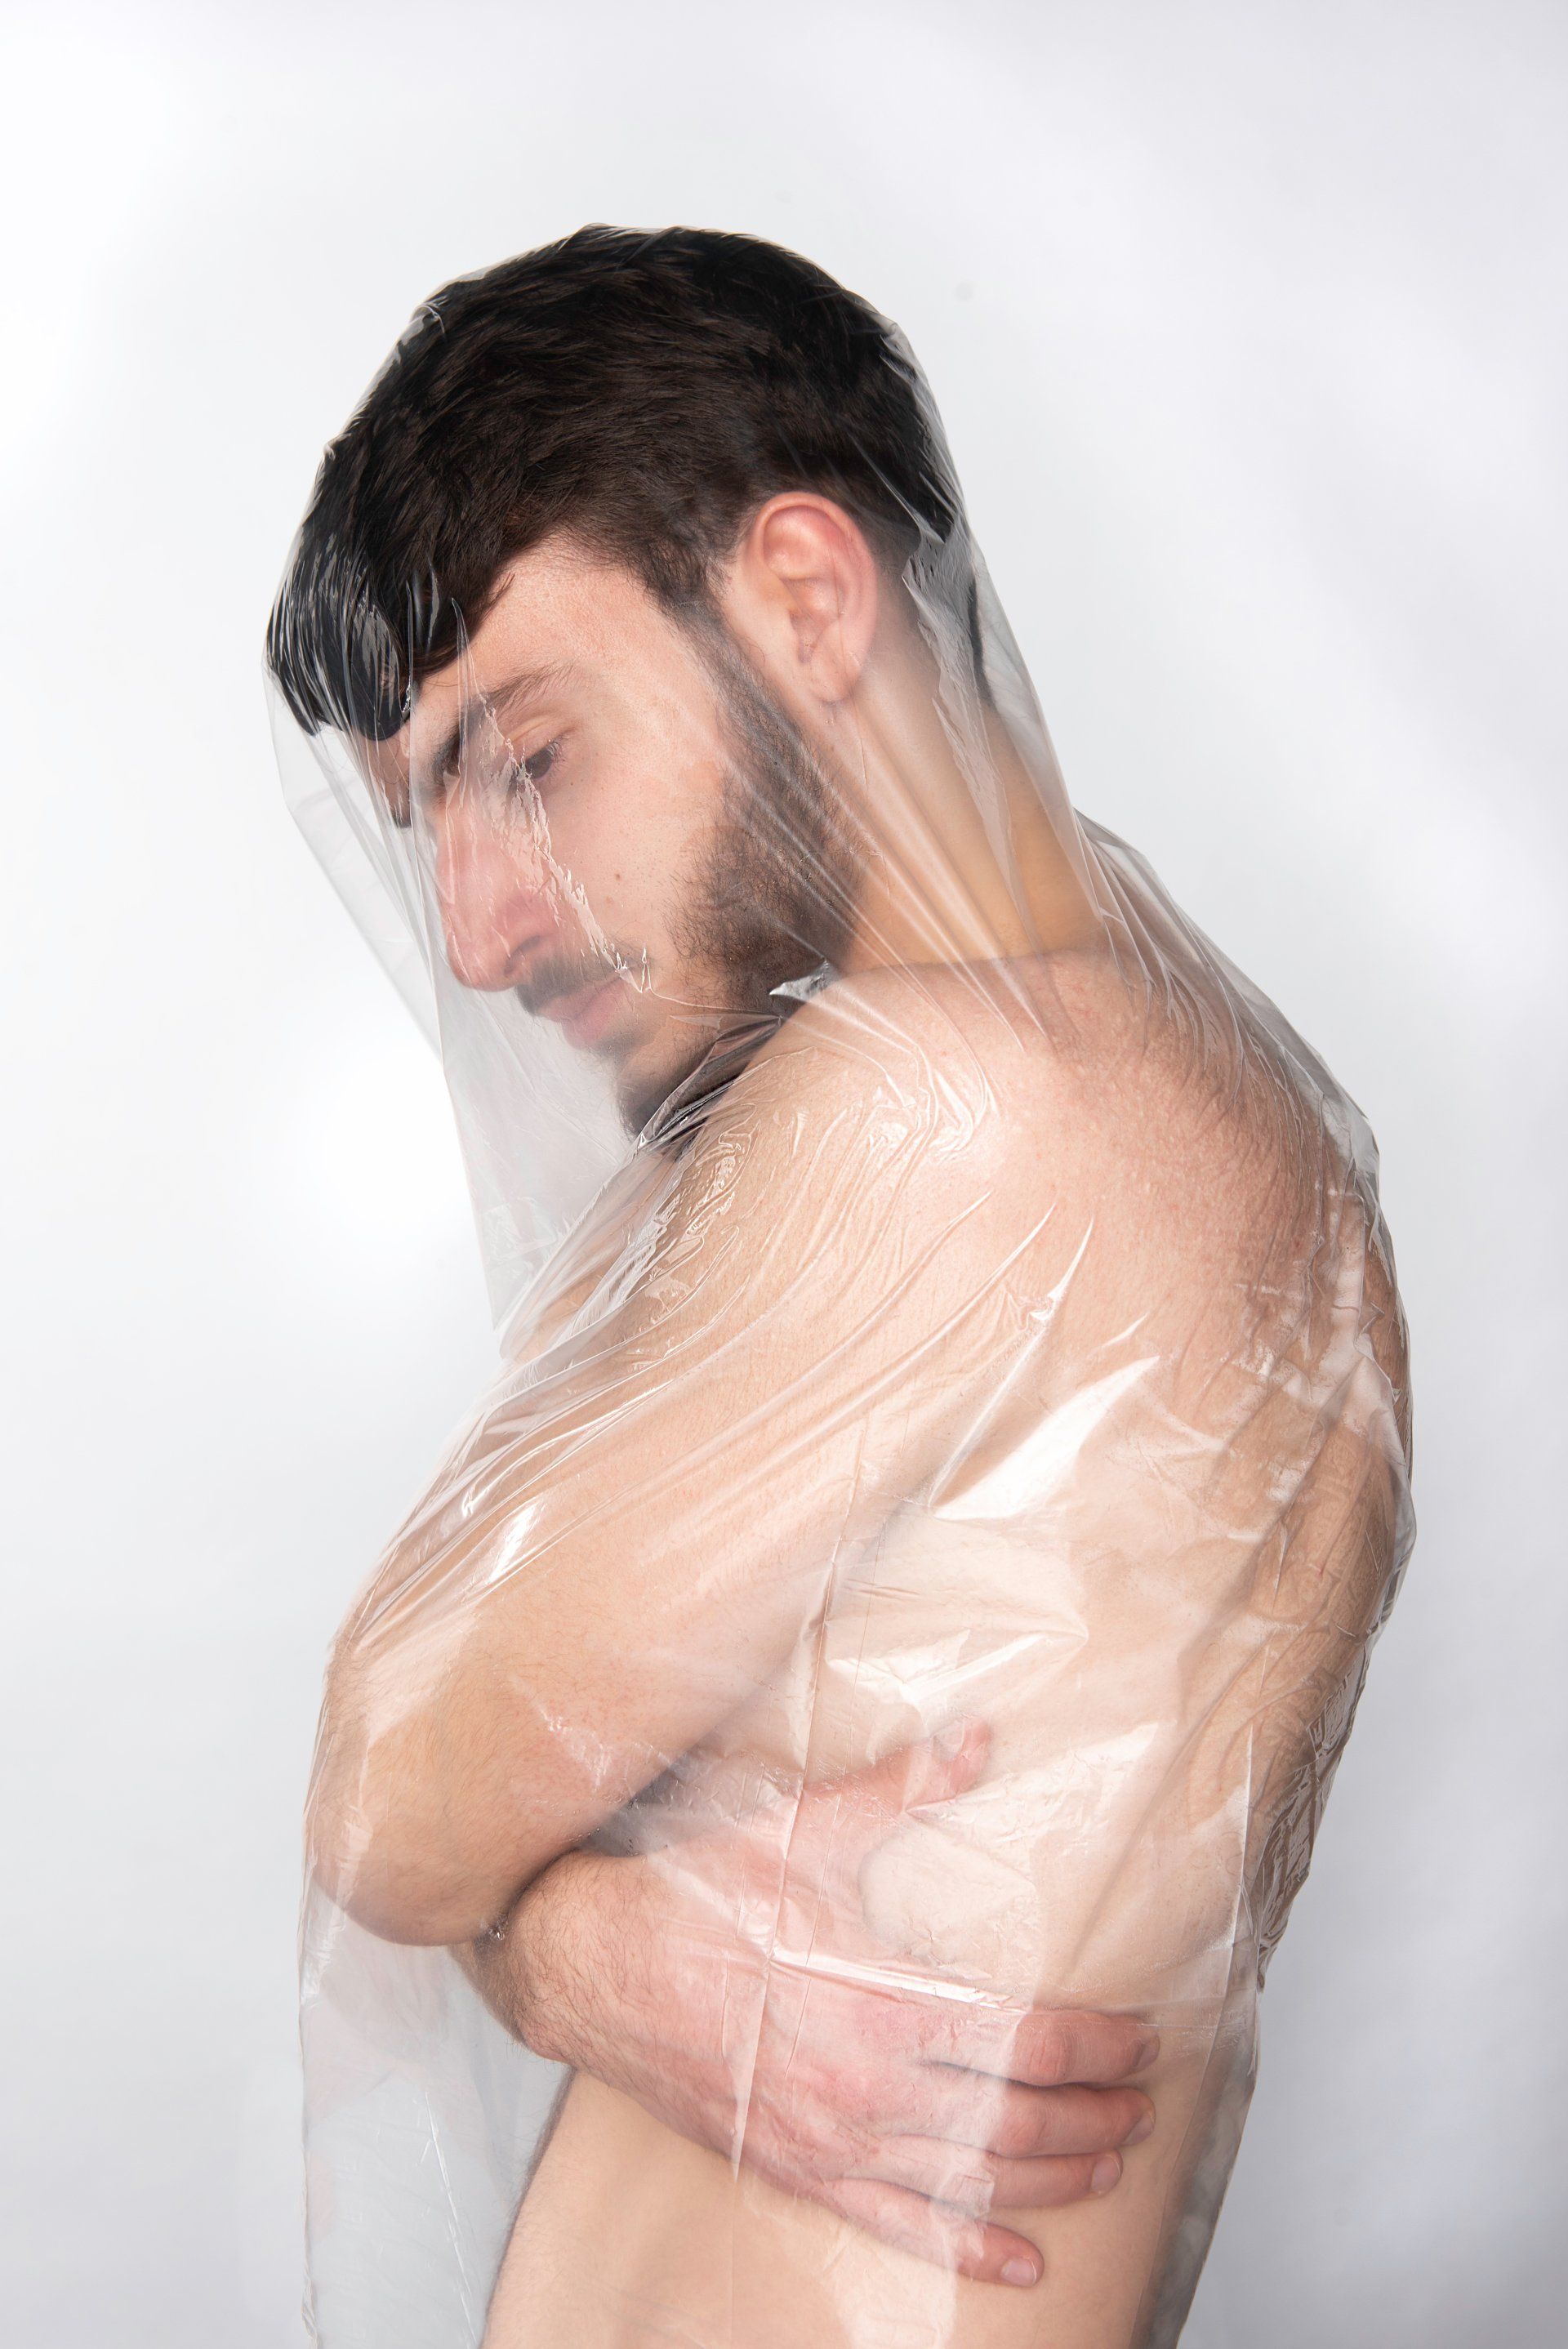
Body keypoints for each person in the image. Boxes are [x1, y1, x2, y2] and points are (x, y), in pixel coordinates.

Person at [267, 226, 1413, 2349]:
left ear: (803, 597)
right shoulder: (1181, 1062)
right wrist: (599, 1938)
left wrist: (550, 1933)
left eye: (526, 759)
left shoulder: (955, 1114)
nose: (485, 925)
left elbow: (390, 1791)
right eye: (428, 825)